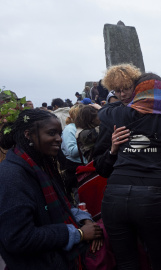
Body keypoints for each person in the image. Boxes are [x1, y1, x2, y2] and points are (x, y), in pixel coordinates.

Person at [100, 73, 161, 269]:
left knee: (126, 261)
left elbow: (103, 111)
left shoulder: (121, 114)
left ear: (137, 91)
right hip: (151, 195)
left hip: (114, 195)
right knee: (160, 258)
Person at [0, 109, 103, 269]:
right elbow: (18, 238)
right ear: (28, 135)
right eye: (52, 133)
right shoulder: (12, 176)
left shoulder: (42, 165)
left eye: (60, 133)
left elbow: (64, 205)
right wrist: (79, 234)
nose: (59, 139)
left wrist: (84, 219)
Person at [61, 104, 85, 202]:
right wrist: (87, 143)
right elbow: (71, 151)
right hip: (75, 169)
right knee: (81, 200)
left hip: (84, 167)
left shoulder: (83, 127)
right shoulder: (70, 129)